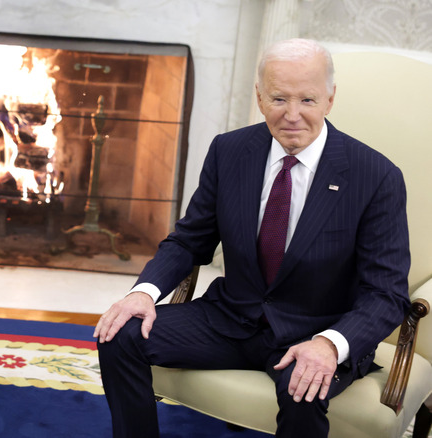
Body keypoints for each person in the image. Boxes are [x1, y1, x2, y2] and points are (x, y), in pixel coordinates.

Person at [94, 38, 410, 437]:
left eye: (308, 100)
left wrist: (330, 345)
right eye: (279, 98)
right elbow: (189, 241)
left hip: (313, 332)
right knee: (119, 334)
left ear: (330, 99)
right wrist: (143, 293)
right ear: (259, 98)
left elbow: (387, 293)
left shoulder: (376, 177)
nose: (292, 115)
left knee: (304, 390)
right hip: (229, 318)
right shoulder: (229, 151)